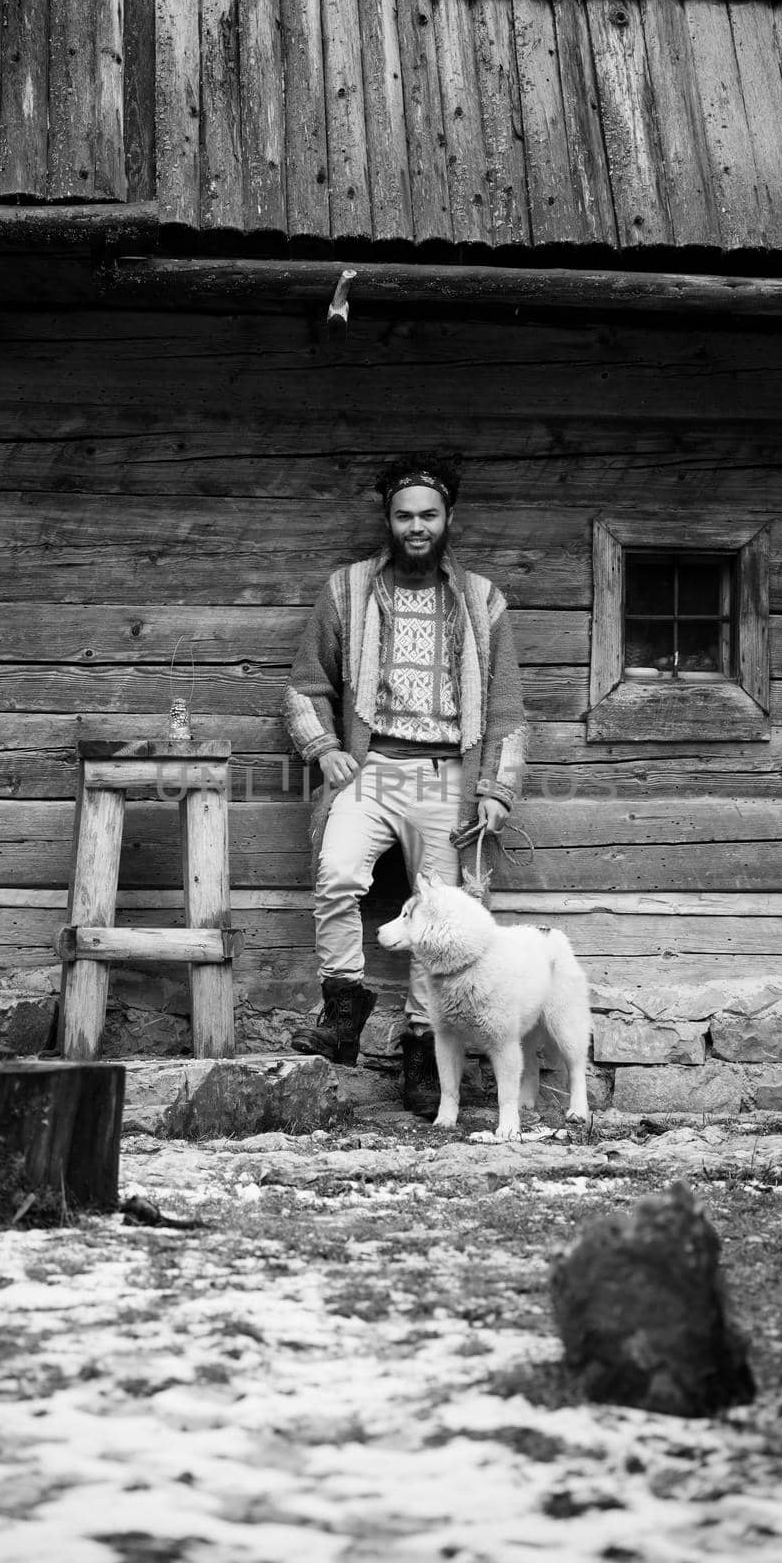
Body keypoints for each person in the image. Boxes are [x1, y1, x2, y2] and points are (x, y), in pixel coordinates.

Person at [282, 454, 527, 1114]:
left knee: (440, 914)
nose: (416, 527)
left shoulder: (482, 600)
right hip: (372, 768)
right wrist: (325, 749)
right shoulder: (347, 590)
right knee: (336, 873)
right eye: (404, 515)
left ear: (448, 519)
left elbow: (506, 712)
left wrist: (497, 791)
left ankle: (422, 1049)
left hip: (450, 772)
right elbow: (307, 686)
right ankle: (343, 1011)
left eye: (428, 515)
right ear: (387, 520)